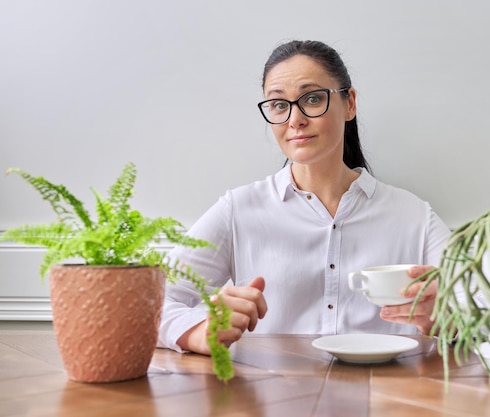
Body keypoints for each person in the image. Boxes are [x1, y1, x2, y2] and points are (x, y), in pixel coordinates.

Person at [157, 40, 451, 355]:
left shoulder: (413, 216)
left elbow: (485, 308)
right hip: (269, 396)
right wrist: (200, 332)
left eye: (311, 99)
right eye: (280, 105)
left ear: (349, 103)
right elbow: (153, 303)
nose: (294, 119)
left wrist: (449, 319)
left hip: (388, 397)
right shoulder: (238, 210)